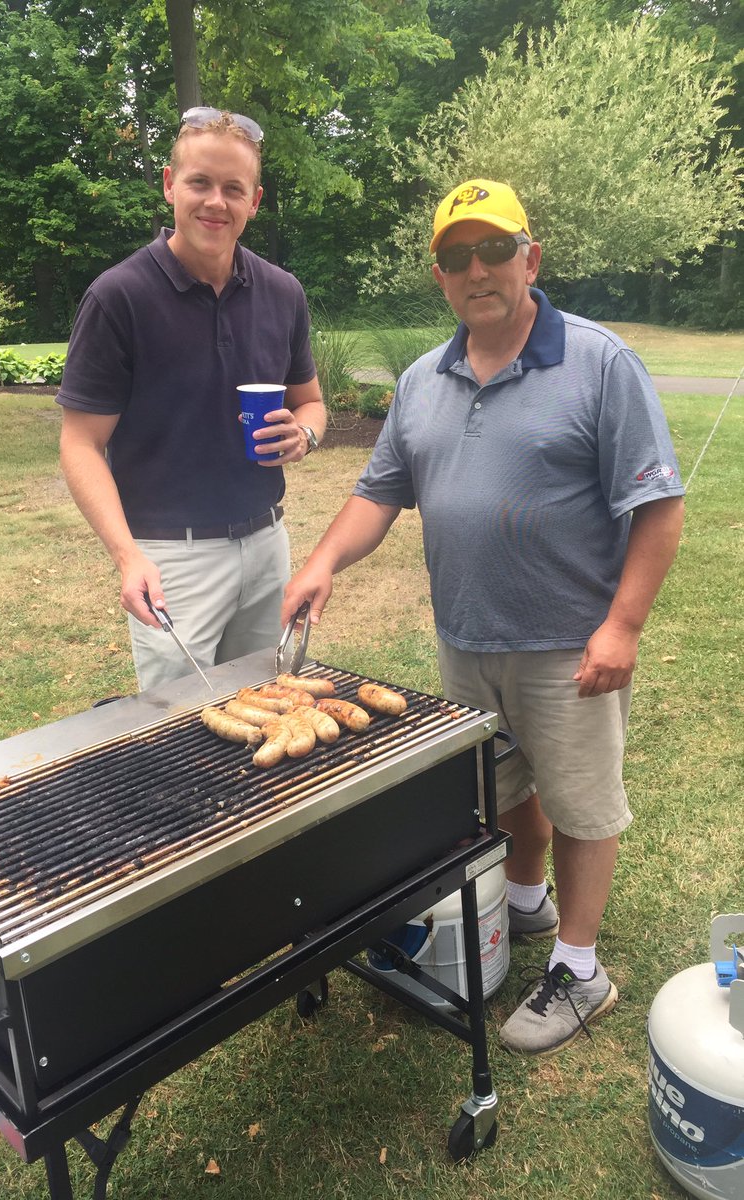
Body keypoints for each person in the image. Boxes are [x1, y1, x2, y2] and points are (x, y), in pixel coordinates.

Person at [281, 178, 685, 1056]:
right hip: (466, 639)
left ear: (530, 258)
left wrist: (622, 628)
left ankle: (581, 970)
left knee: (580, 800)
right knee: (502, 788)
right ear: (440, 276)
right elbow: (378, 493)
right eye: (458, 256)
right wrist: (320, 560)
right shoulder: (425, 379)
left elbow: (659, 509)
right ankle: (530, 900)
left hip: (568, 639)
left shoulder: (599, 363)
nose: (479, 269)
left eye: (495, 249)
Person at [56, 107, 325, 691]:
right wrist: (128, 557)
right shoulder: (118, 297)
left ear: (255, 201)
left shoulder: (283, 292)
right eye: (200, 182)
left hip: (267, 542)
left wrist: (304, 434)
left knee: (269, 704)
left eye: (234, 188)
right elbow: (80, 443)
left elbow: (313, 403)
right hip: (171, 559)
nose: (215, 202)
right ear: (169, 184)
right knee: (180, 734)